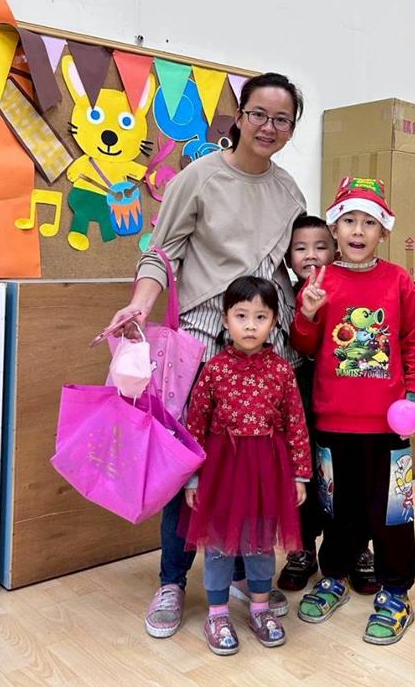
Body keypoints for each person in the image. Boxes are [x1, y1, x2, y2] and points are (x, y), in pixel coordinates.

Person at [103, 72, 306, 638]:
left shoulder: (290, 192)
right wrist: (140, 306)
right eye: (259, 114)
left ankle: (241, 575)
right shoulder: (199, 177)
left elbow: (294, 267)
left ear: (292, 129)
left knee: (254, 468)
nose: (268, 127)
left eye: (282, 119)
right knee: (190, 467)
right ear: (239, 117)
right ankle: (173, 580)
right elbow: (160, 253)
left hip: (268, 352)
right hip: (203, 347)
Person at [290, 176, 415, 645]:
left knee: (393, 513)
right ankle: (334, 576)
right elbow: (304, 346)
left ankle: (396, 591)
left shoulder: (399, 280)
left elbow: (414, 342)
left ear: (383, 231)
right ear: (335, 228)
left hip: (390, 425)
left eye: (369, 222)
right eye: (349, 220)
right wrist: (308, 314)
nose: (357, 230)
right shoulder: (319, 281)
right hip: (333, 422)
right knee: (337, 510)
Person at [184, 276, 311, 655]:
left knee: (260, 544)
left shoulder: (282, 371)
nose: (251, 325)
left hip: (267, 472)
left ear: (274, 321)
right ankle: (217, 614)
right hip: (222, 471)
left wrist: (299, 475)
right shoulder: (214, 370)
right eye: (241, 316)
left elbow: (296, 424)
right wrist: (192, 479)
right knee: (219, 546)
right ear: (225, 320)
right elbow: (195, 424)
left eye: (261, 316)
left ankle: (259, 608)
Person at [276, 215, 379, 596]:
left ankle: (358, 548)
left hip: (345, 401)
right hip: (299, 399)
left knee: (351, 477)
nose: (311, 255)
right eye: (300, 248)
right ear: (287, 257)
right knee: (300, 472)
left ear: (335, 250)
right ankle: (301, 548)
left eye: (320, 247)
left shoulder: (349, 285)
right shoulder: (283, 294)